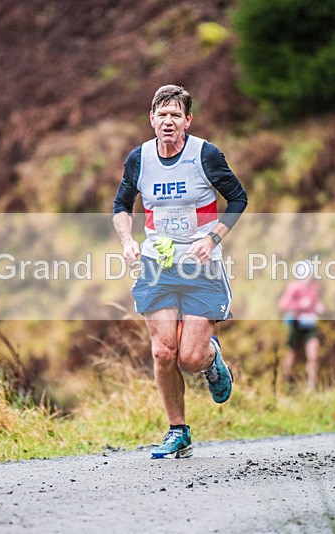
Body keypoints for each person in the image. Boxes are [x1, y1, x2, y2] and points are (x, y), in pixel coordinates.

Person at [112, 84, 248, 459]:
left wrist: (214, 238)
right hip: (157, 264)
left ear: (187, 121)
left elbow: (238, 197)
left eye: (176, 115)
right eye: (162, 114)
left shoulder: (205, 155)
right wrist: (127, 241)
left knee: (189, 358)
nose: (168, 121)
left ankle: (211, 359)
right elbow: (121, 204)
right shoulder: (139, 159)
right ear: (151, 119)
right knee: (162, 352)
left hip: (201, 265)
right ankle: (177, 430)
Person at [278, 260, 323, 391]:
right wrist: (299, 305)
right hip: (296, 325)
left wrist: (318, 307)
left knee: (314, 354)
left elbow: (314, 303)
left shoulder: (314, 286)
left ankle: (311, 387)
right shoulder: (294, 287)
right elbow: (283, 305)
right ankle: (286, 384)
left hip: (310, 326)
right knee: (292, 355)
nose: (309, 275)